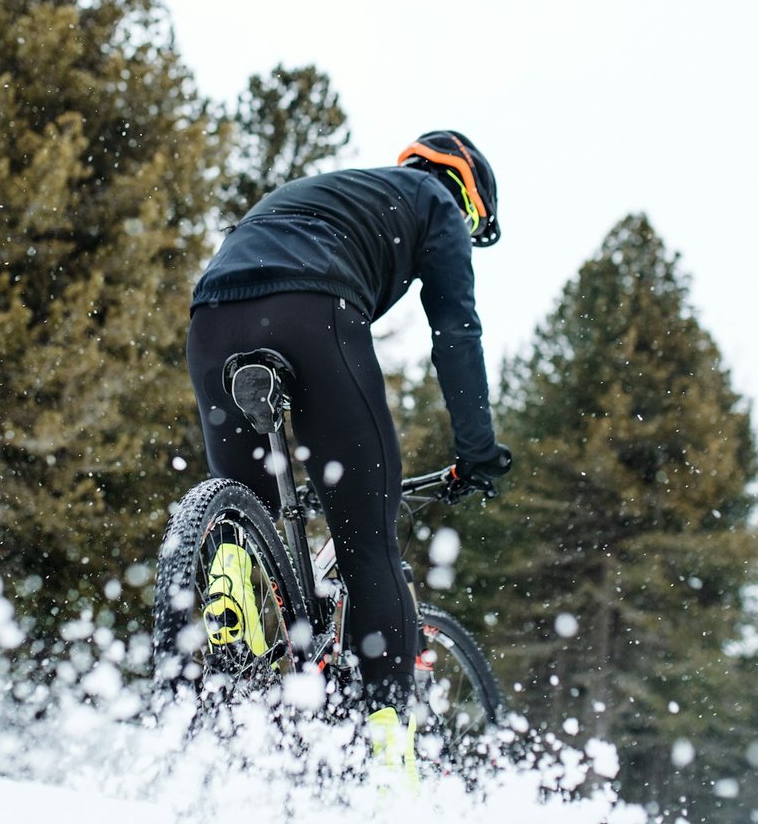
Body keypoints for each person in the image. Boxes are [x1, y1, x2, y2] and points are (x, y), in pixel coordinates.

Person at [186, 129, 513, 785]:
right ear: (472, 195)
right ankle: (389, 747)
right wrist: (476, 453)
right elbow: (456, 331)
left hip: (213, 316)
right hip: (311, 311)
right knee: (368, 544)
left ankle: (234, 590)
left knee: (249, 507)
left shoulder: (344, 190)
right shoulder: (436, 202)